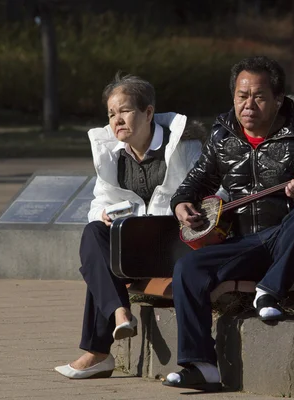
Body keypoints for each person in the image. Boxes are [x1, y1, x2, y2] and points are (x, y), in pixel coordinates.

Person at [162, 56, 294, 392]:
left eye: (259, 97)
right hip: (245, 245)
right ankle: (200, 366)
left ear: (278, 101)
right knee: (189, 267)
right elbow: (192, 185)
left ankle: (269, 292)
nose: (248, 105)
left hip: (291, 244)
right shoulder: (223, 136)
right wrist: (181, 206)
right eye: (241, 96)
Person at [54, 73, 206, 379]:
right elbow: (99, 202)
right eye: (111, 114)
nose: (117, 120)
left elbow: (213, 190)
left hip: (176, 243)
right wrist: (104, 214)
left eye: (124, 111)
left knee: (101, 265)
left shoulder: (185, 147)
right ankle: (120, 313)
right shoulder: (114, 156)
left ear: (148, 112)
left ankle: (98, 352)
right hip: (135, 246)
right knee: (94, 232)